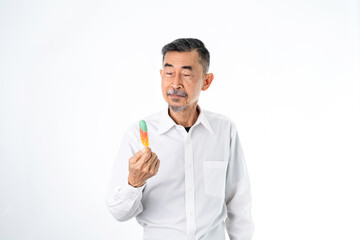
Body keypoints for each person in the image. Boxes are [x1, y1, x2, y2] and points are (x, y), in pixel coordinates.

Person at [106, 38, 254, 240]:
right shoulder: (138, 135)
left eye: (186, 74)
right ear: (161, 76)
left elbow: (238, 202)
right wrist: (134, 183)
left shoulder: (225, 130)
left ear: (206, 81)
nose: (175, 83)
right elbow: (118, 213)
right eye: (168, 73)